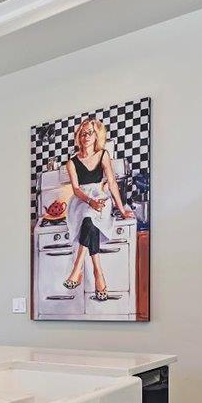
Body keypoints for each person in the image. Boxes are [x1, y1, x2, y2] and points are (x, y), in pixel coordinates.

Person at [62, 118, 134, 301]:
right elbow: (76, 189)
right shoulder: (71, 162)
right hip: (81, 201)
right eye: (83, 133)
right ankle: (98, 272)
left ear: (97, 135)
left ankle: (77, 269)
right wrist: (90, 201)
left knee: (90, 219)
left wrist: (122, 209)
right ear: (79, 136)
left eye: (90, 133)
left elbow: (111, 183)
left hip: (101, 197)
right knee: (88, 216)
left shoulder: (103, 155)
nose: (86, 136)